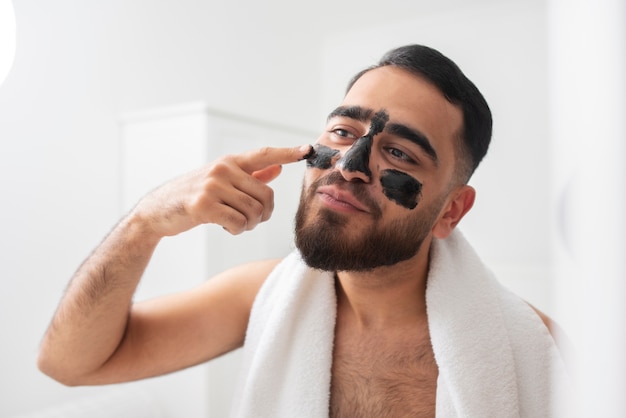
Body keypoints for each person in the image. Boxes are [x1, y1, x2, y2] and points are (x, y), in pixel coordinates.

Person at [38, 45, 568, 417]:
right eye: (342, 132)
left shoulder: (540, 350)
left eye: (400, 153)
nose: (350, 165)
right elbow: (69, 363)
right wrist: (143, 224)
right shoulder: (258, 297)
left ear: (451, 210)